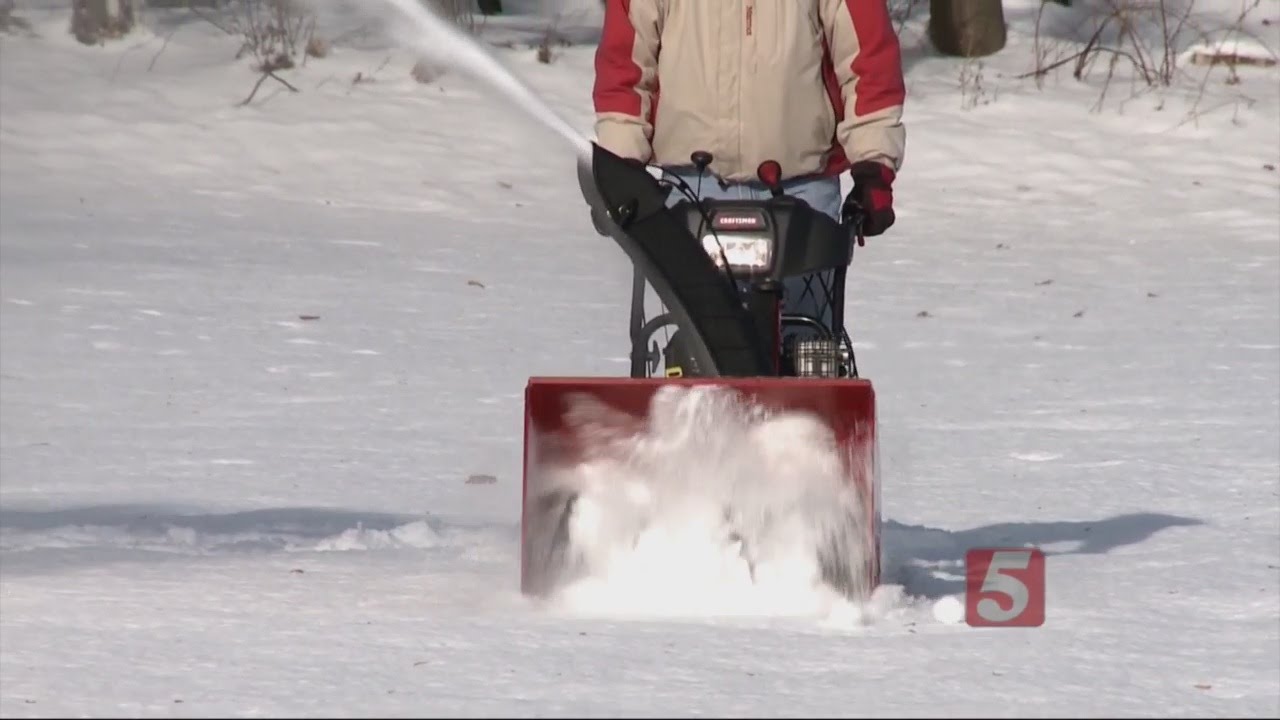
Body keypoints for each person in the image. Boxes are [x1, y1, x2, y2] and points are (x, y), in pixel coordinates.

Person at [590, 0, 905, 333]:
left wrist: (874, 166)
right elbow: (625, 66)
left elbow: (868, 62)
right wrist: (619, 169)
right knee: (697, 348)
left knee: (806, 349)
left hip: (801, 190)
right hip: (691, 189)